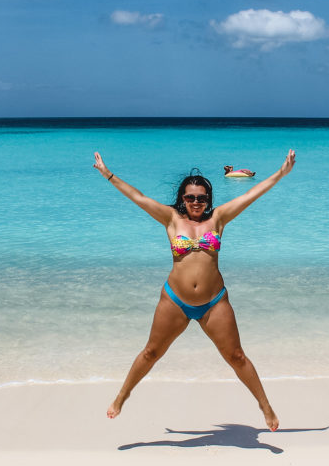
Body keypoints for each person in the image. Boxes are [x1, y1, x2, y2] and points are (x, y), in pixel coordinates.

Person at [93, 150, 296, 431]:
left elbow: (251, 196)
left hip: (214, 302)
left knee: (236, 356)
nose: (196, 202)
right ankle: (122, 396)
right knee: (151, 352)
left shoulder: (219, 219)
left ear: (208, 200)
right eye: (190, 197)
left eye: (202, 197)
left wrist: (281, 173)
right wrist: (108, 174)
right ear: (182, 199)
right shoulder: (171, 219)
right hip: (175, 300)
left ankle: (265, 405)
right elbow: (138, 197)